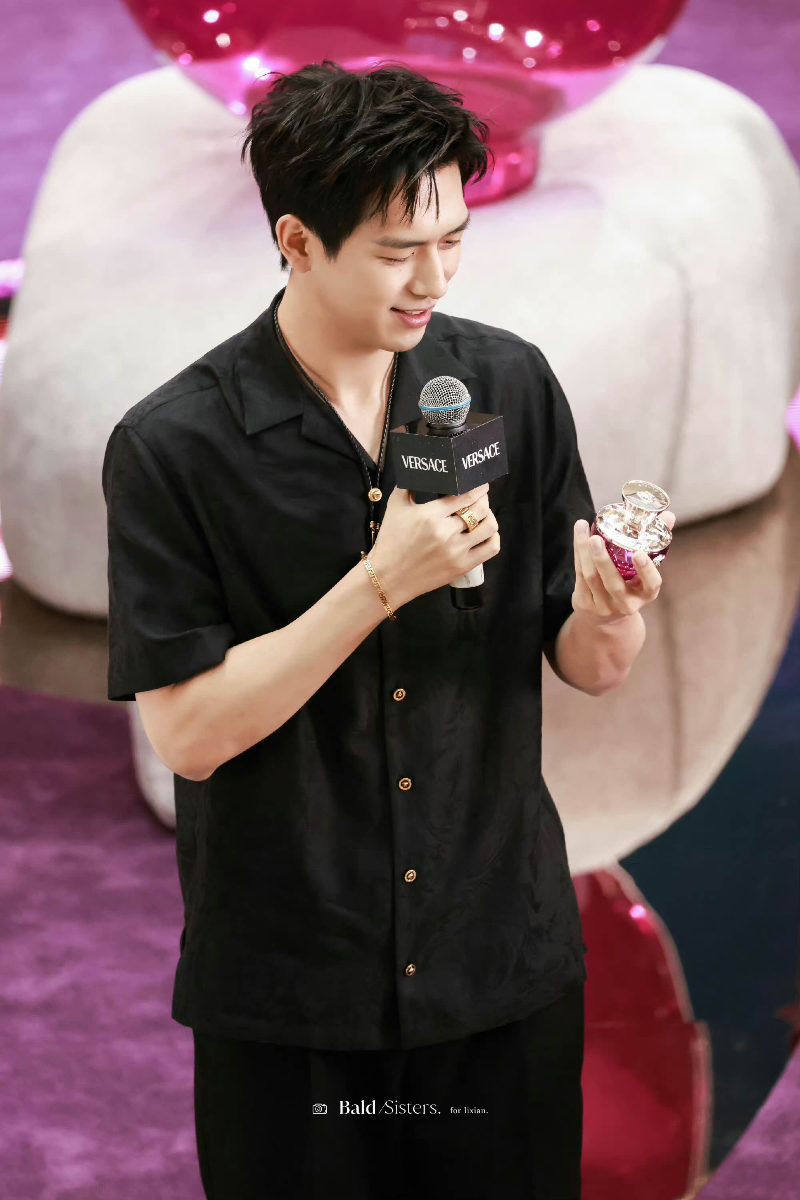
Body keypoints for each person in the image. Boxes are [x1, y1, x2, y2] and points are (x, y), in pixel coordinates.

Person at [102, 59, 672, 1200]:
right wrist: (377, 584)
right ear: (297, 242)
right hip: (290, 992)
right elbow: (190, 737)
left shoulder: (507, 383)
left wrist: (611, 614)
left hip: (498, 966)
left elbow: (589, 665)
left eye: (454, 240)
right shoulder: (175, 448)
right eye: (398, 251)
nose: (434, 280)